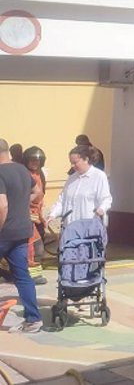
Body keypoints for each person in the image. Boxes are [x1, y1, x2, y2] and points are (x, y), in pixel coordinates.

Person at [0, 139, 41, 333]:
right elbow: (37, 191)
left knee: (21, 275)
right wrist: (22, 204)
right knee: (22, 276)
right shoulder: (22, 170)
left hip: (4, 232)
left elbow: (2, 205)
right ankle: (33, 319)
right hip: (22, 231)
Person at [49, 145, 112, 228]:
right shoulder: (71, 178)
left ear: (86, 159)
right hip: (69, 228)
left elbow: (106, 199)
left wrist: (101, 209)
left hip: (88, 228)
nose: (72, 166)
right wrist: (53, 214)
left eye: (75, 163)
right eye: (71, 163)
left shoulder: (99, 176)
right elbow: (62, 201)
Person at [22, 147, 47, 285]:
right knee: (35, 246)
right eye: (32, 160)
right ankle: (33, 275)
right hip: (26, 216)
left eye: (38, 161)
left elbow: (40, 198)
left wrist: (41, 217)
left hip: (36, 215)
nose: (35, 163)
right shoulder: (25, 175)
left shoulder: (39, 174)